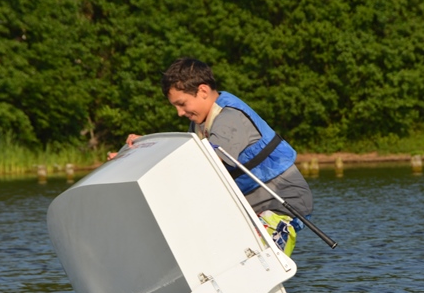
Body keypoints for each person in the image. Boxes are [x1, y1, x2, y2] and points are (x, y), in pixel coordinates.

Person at [109, 57, 313, 256]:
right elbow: (181, 154)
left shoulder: (228, 119)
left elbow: (202, 166)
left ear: (203, 91)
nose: (179, 113)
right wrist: (141, 152)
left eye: (182, 104)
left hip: (281, 204)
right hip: (248, 206)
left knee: (255, 258)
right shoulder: (200, 123)